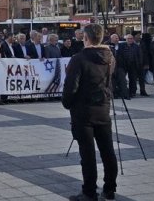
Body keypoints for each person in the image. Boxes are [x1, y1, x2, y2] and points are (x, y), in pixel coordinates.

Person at [62, 23, 118, 201]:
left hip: (83, 111)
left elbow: (71, 87)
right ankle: (109, 189)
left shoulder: (79, 59)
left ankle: (89, 192)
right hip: (103, 108)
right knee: (107, 150)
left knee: (88, 155)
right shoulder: (110, 57)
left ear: (86, 38)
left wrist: (68, 103)